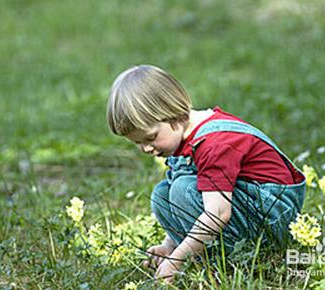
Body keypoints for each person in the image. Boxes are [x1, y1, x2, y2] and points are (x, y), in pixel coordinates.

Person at [106, 64, 306, 282]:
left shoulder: (214, 144)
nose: (146, 149)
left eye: (151, 137)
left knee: (182, 190)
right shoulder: (182, 138)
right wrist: (170, 245)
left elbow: (218, 213)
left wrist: (178, 260)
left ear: (174, 114)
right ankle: (204, 254)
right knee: (163, 194)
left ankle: (234, 262)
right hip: (244, 207)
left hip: (270, 218)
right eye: (137, 143)